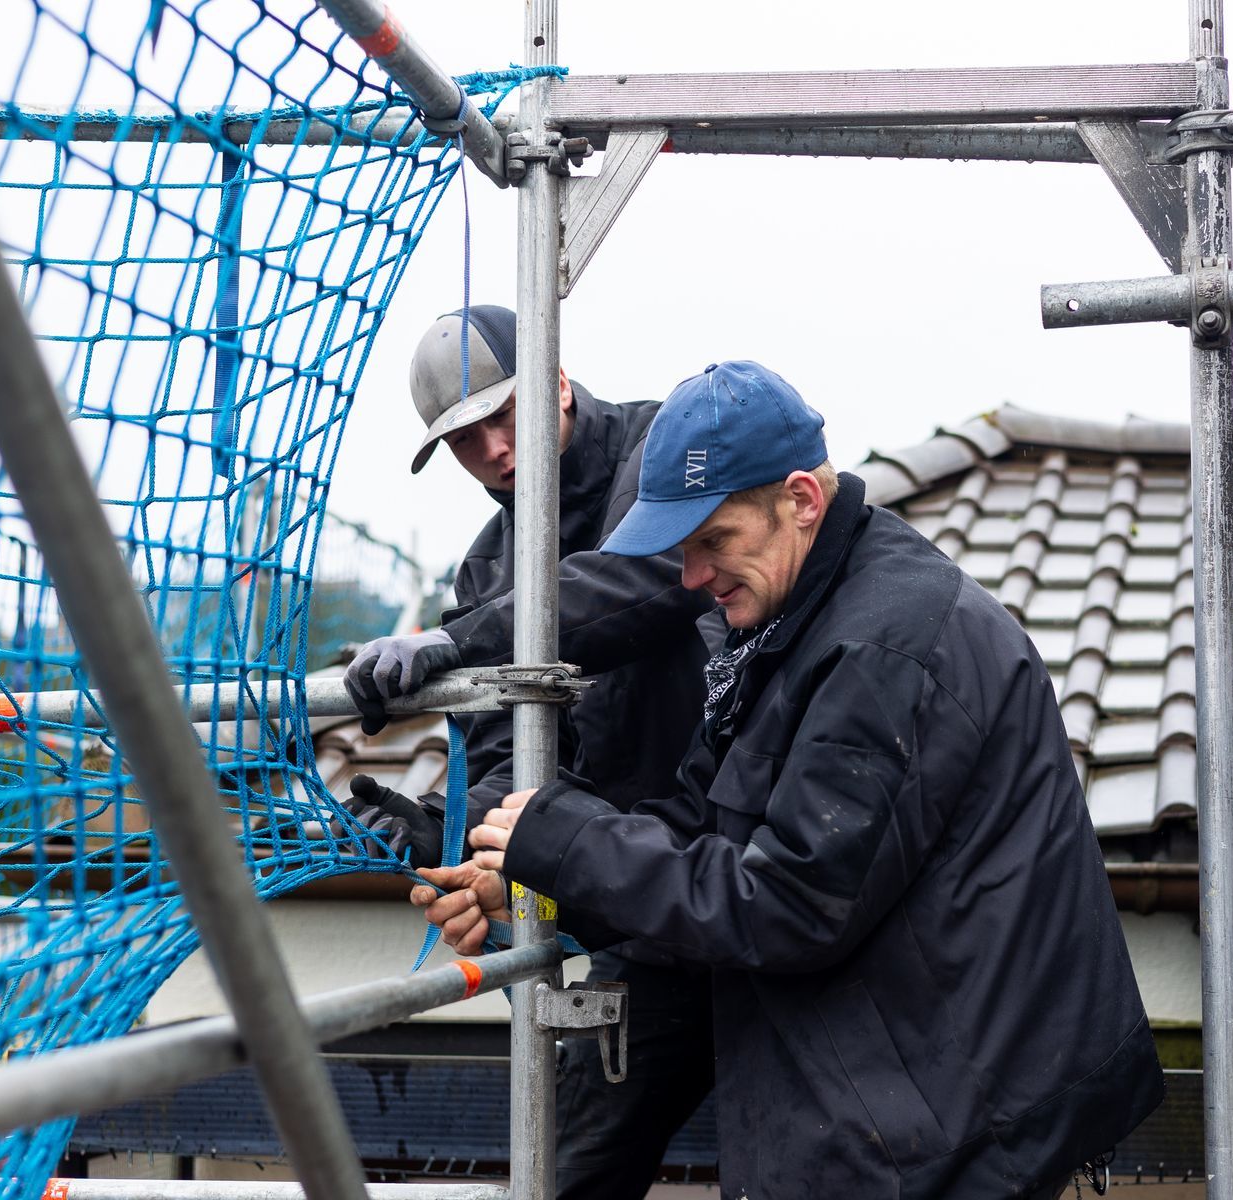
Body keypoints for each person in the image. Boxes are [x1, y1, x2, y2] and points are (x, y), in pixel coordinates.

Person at [414, 361, 1165, 1199]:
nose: (691, 578)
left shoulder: (883, 647)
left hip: (949, 1128)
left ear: (802, 500)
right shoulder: (794, 619)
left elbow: (788, 903)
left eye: (712, 541)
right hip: (898, 1091)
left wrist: (567, 839)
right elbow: (702, 821)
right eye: (680, 551)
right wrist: (535, 883)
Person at [340, 305, 717, 1199]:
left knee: (796, 1155)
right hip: (639, 905)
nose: (495, 451)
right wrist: (451, 830)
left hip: (751, 866)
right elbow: (515, 755)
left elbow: (643, 580)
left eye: (504, 417)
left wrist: (464, 641)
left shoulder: (662, 451)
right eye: (465, 440)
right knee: (565, 1172)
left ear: (556, 382)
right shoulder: (486, 572)